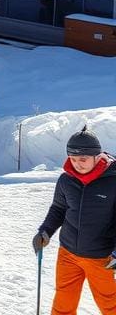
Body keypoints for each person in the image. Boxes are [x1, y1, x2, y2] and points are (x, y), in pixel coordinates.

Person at [33, 125, 116, 314]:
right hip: (68, 253)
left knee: (110, 305)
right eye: (73, 158)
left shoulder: (113, 181)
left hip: (102, 258)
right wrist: (45, 231)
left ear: (97, 156)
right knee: (63, 303)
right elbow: (58, 209)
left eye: (83, 159)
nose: (77, 164)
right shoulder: (66, 180)